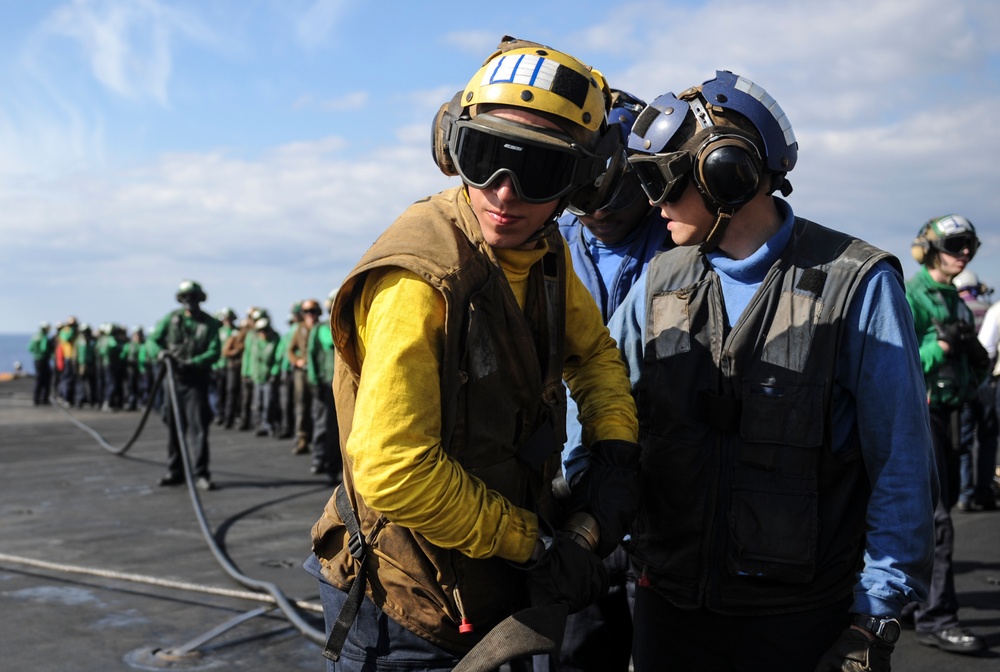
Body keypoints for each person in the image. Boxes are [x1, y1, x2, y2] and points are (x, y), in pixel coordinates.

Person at [305, 36, 641, 671]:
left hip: (490, 583)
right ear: (452, 148)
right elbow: (392, 469)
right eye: (485, 157)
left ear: (582, 179)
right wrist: (534, 545)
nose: (505, 193)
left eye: (538, 170)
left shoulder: (544, 252)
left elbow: (593, 352)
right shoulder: (420, 281)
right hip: (410, 603)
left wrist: (615, 445)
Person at [612, 71, 936, 671]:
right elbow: (595, 417)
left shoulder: (856, 283)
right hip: (669, 613)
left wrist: (875, 619)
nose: (655, 206)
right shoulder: (659, 283)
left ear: (724, 175)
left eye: (663, 183)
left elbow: (902, 463)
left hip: (801, 624)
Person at [545, 89, 673, 672]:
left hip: (670, 501)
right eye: (583, 192)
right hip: (574, 495)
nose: (598, 208)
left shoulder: (684, 242)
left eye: (615, 191)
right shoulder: (544, 250)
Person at [904, 215, 990, 653]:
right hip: (923, 418)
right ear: (930, 249)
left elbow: (972, 364)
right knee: (938, 520)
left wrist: (973, 372)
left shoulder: (955, 299)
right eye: (955, 245)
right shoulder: (912, 295)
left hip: (953, 413)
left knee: (936, 515)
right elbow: (901, 364)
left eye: (969, 246)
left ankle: (913, 603)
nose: (964, 254)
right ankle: (937, 615)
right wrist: (937, 348)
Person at [149, 280, 222, 491]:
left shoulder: (209, 323)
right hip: (172, 380)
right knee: (173, 427)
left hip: (195, 381)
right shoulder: (170, 319)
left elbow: (214, 350)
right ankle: (175, 471)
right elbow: (153, 340)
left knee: (198, 428)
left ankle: (200, 473)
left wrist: (193, 363)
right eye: (186, 297)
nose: (190, 301)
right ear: (181, 299)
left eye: (194, 297)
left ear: (200, 299)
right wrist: (160, 353)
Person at [952, 270, 997, 511]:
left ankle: (965, 493)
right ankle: (984, 490)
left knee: (964, 439)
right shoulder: (987, 308)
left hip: (964, 382)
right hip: (987, 381)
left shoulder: (956, 309)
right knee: (988, 438)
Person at [304, 293, 340, 479]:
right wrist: (315, 381)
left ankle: (336, 466)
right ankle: (322, 461)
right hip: (325, 384)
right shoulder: (322, 329)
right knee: (324, 425)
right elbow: (315, 353)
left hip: (341, 385)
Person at [288, 300, 315, 454]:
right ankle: (302, 439)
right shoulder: (299, 329)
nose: (310, 315)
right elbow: (290, 349)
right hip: (303, 372)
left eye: (313, 311)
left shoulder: (323, 328)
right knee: (302, 405)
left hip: (319, 373)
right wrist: (296, 361)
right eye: (307, 312)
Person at [251, 315, 280, 437]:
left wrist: (274, 372)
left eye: (265, 330)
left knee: (268, 403)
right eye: (260, 330)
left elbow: (278, 359)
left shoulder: (274, 340)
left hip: (268, 377)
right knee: (258, 403)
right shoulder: (254, 341)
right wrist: (247, 373)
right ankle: (258, 425)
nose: (263, 333)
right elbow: (249, 358)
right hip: (257, 376)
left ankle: (267, 424)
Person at [28, 321, 54, 405]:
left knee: (38, 379)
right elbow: (44, 348)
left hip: (36, 360)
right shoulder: (44, 337)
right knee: (46, 379)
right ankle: (45, 399)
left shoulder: (35, 336)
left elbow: (30, 348)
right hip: (43, 360)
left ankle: (36, 399)